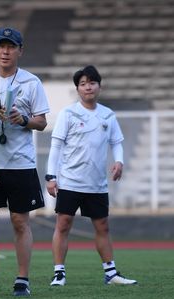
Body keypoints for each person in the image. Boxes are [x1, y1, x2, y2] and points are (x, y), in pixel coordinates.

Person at [0, 27, 49, 296]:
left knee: (20, 222)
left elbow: (42, 122)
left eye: (11, 46)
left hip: (21, 163)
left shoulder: (31, 82)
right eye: (1, 46)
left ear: (20, 50)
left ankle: (22, 279)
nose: (5, 51)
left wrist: (24, 119)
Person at [46, 65, 137, 286]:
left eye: (92, 83)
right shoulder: (68, 114)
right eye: (83, 84)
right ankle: (59, 273)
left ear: (99, 86)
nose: (88, 87)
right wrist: (51, 176)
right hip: (69, 181)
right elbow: (56, 146)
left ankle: (111, 273)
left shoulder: (108, 115)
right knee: (64, 224)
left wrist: (119, 161)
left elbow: (116, 142)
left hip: (97, 183)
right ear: (77, 89)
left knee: (102, 226)